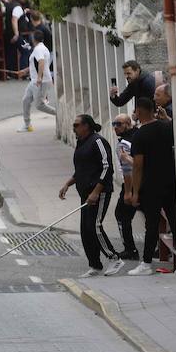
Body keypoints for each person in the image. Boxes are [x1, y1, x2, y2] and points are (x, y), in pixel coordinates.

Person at [58, 115, 125, 277]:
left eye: (76, 125)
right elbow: (82, 170)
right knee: (85, 229)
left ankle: (114, 258)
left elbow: (107, 167)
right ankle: (95, 265)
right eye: (73, 125)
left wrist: (96, 191)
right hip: (85, 194)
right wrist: (68, 183)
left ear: (86, 126)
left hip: (99, 193)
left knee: (95, 226)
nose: (73, 128)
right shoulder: (81, 143)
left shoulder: (98, 142)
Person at [126, 96, 176, 275]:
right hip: (170, 182)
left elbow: (138, 165)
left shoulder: (140, 135)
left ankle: (146, 264)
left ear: (139, 111)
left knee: (152, 225)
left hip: (151, 186)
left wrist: (134, 191)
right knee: (175, 221)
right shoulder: (166, 127)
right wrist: (167, 119)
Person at [110, 114, 140, 259]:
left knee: (121, 215)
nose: (115, 127)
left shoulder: (124, 144)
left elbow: (128, 170)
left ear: (128, 124)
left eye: (119, 124)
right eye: (114, 124)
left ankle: (130, 249)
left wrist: (128, 192)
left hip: (132, 185)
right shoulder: (137, 134)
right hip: (144, 183)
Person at [20, 29, 56, 132]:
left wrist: (39, 77)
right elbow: (35, 64)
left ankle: (60, 114)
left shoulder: (38, 49)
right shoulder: (41, 48)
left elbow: (41, 62)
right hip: (35, 80)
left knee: (39, 105)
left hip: (40, 81)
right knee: (26, 100)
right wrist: (25, 71)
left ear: (33, 39)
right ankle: (27, 125)